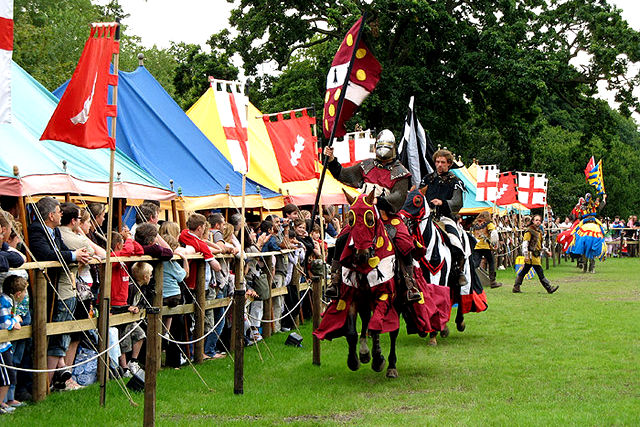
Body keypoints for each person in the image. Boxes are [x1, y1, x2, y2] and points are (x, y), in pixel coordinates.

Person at [323, 129, 419, 301]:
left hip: (387, 215)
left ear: (393, 148)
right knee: (342, 238)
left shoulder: (401, 172)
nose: (382, 149)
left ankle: (409, 282)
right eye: (380, 145)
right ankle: (335, 280)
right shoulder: (366, 165)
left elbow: (398, 197)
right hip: (363, 215)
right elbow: (344, 175)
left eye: (386, 146)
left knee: (404, 241)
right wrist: (331, 160)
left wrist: (380, 201)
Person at [27, 197, 91, 391]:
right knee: (52, 338)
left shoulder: (54, 231)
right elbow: (46, 254)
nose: (61, 213)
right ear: (50, 215)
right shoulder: (37, 230)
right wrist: (74, 255)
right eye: (58, 210)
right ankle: (43, 387)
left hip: (59, 290)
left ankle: (51, 383)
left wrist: (76, 255)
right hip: (47, 291)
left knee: (60, 337)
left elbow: (60, 251)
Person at [419, 149, 468, 287]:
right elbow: (419, 196)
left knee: (455, 240)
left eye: (443, 162)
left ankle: (458, 269)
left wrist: (443, 203)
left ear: (449, 164)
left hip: (445, 218)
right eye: (437, 162)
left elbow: (457, 203)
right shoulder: (427, 179)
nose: (439, 165)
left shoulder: (455, 182)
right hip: (426, 217)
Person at [0, 275, 28, 413]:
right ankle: (1, 403)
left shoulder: (8, 300)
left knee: (9, 375)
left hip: (6, 345)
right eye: (24, 292)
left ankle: (4, 402)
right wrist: (14, 321)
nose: (25, 295)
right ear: (18, 294)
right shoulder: (5, 302)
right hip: (1, 347)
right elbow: (5, 323)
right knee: (6, 376)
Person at [512, 215, 558, 294]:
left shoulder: (539, 231)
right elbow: (525, 244)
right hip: (531, 256)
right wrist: (526, 256)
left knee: (524, 271)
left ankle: (516, 287)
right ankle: (549, 288)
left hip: (536, 255)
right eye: (536, 220)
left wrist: (546, 251)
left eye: (539, 220)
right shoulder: (529, 231)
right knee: (540, 272)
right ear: (533, 221)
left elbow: (540, 245)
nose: (538, 222)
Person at [471, 211, 502, 288]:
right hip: (486, 246)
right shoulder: (489, 224)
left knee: (475, 264)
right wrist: (495, 243)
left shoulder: (475, 223)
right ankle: (492, 282)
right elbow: (494, 233)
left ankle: (470, 279)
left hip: (476, 246)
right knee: (491, 262)